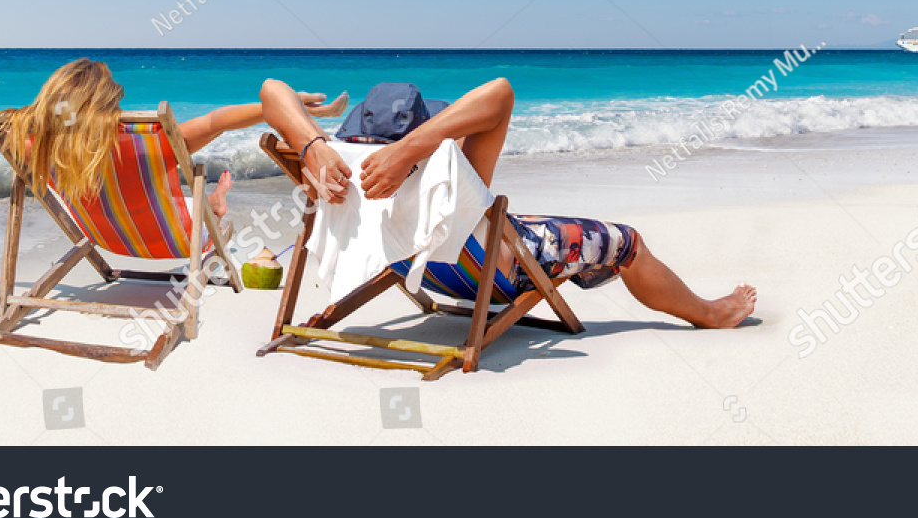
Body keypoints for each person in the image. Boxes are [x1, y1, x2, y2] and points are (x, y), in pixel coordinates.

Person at [259, 76, 756, 329]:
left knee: (512, 218)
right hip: (496, 271)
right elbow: (500, 93)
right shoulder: (440, 168)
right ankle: (710, 314)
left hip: (411, 258)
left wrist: (314, 144)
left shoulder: (335, 165)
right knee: (628, 243)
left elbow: (270, 90)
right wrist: (416, 148)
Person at [0, 58, 347, 229]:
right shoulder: (153, 141)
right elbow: (220, 119)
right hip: (177, 241)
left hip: (102, 236)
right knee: (195, 195)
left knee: (165, 191)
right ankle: (216, 205)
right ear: (109, 101)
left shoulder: (30, 141)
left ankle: (212, 201)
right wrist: (291, 110)